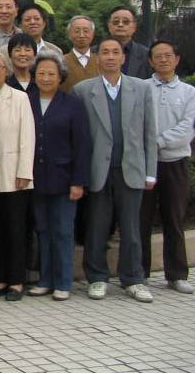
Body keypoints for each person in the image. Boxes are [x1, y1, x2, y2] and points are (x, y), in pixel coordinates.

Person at [72, 37, 156, 303]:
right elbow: (79, 137)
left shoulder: (141, 89)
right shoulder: (83, 90)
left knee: (131, 229)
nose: (110, 56)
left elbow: (149, 132)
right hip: (98, 170)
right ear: (98, 58)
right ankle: (97, 278)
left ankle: (134, 279)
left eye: (115, 52)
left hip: (131, 169)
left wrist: (150, 171)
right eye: (105, 52)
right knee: (97, 227)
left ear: (123, 57)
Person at [26, 50, 90, 301]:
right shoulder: (27, 100)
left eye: (51, 74)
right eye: (41, 73)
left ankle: (63, 282)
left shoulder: (71, 103)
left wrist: (78, 181)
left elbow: (82, 145)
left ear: (60, 76)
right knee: (43, 230)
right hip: (35, 177)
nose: (45, 78)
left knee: (63, 231)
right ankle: (45, 279)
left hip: (64, 178)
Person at [140, 40, 195, 294]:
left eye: (168, 55)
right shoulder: (141, 88)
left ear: (177, 59)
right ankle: (139, 273)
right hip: (145, 163)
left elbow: (188, 127)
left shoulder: (189, 92)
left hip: (175, 163)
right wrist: (147, 145)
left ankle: (177, 275)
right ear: (150, 61)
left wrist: (158, 141)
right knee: (141, 219)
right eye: (158, 56)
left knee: (174, 219)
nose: (163, 60)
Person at [0, 49, 35, 301]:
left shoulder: (20, 98)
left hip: (14, 174)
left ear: (7, 71)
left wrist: (25, 171)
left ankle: (16, 281)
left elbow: (28, 137)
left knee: (15, 229)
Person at [106, 6, 152, 79]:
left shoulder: (147, 55)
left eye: (126, 22)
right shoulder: (94, 53)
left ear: (134, 26)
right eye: (116, 22)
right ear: (109, 25)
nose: (120, 25)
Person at [61, 15, 98, 93]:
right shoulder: (60, 62)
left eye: (86, 31)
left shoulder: (100, 61)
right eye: (77, 31)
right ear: (69, 35)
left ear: (93, 34)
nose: (81, 35)